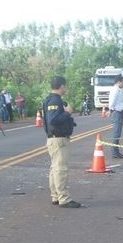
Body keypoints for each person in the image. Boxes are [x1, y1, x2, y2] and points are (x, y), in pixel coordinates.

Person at [42, 75, 80, 208]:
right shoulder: (54, 101)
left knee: (55, 169)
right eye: (65, 86)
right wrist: (68, 112)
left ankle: (56, 196)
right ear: (62, 86)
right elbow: (53, 120)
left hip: (54, 139)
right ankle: (64, 198)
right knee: (60, 169)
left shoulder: (51, 100)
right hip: (58, 139)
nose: (66, 89)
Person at [107, 75, 123, 158]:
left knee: (118, 134)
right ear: (118, 82)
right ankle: (114, 152)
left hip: (120, 112)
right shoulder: (115, 90)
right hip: (116, 112)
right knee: (116, 133)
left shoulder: (119, 90)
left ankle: (116, 151)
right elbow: (112, 102)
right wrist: (111, 110)